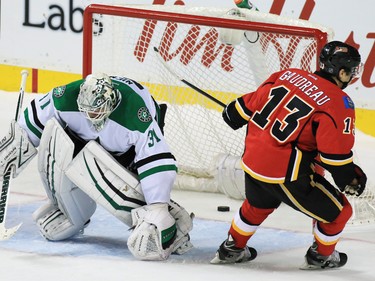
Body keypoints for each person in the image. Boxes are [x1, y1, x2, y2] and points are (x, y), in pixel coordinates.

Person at [0, 73, 193, 260]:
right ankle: (67, 208)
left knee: (121, 187)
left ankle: (170, 222)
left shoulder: (135, 114)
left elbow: (156, 160)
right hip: (86, 141)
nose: (91, 116)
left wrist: (157, 207)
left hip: (126, 152)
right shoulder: (66, 96)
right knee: (55, 137)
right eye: (86, 110)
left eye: (96, 111)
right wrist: (18, 142)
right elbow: (36, 117)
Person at [210, 41, 367, 269]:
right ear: (341, 72)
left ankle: (231, 249)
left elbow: (240, 110)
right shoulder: (338, 102)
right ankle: (320, 256)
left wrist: (231, 113)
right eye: (351, 70)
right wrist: (350, 178)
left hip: (251, 162)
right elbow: (334, 155)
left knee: (258, 205)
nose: (352, 75)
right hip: (284, 173)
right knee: (341, 212)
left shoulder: (287, 74)